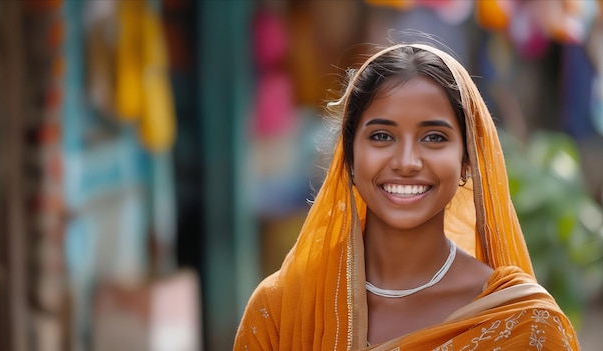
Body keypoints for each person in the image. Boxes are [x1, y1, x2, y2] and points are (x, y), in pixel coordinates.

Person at [234, 43, 581, 350]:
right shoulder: (280, 310)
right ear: (350, 158)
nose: (406, 162)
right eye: (382, 136)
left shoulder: (524, 324)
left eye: (433, 138)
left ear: (466, 161)